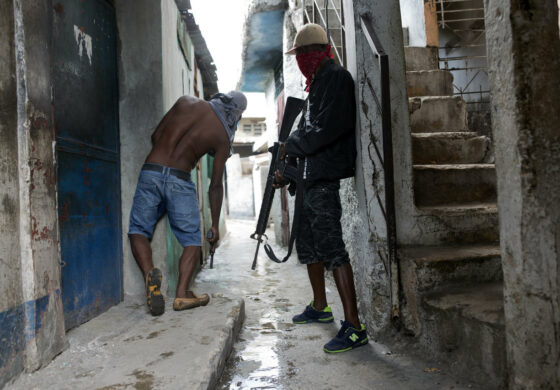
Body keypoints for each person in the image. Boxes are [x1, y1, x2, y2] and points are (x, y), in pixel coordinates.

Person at [275, 24, 367, 353]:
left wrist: (290, 144)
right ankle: (320, 306)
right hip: (310, 179)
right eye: (296, 55)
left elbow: (326, 129)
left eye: (302, 54)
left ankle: (355, 327)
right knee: (311, 248)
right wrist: (285, 171)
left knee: (332, 249)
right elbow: (308, 137)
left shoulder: (336, 79)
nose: (299, 59)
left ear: (315, 53)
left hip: (325, 178)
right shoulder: (316, 85)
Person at [128, 91, 247, 316]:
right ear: (236, 114)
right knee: (192, 240)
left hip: (151, 170)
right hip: (179, 179)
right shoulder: (222, 135)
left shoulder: (185, 101)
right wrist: (213, 226)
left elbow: (156, 136)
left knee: (138, 230)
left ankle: (148, 275)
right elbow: (215, 185)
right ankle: (182, 293)